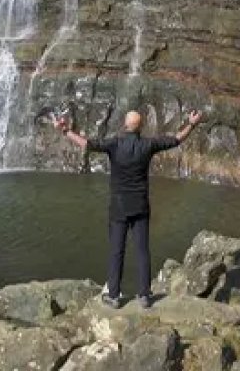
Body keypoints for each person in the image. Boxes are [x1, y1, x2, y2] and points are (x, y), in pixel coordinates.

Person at [53, 108, 204, 309]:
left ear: (125, 124)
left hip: (119, 207)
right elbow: (176, 139)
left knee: (117, 251)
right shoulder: (147, 145)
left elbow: (87, 144)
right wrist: (192, 124)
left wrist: (65, 132)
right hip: (140, 205)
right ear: (140, 126)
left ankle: (114, 296)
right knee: (142, 251)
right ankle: (144, 296)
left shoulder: (114, 144)